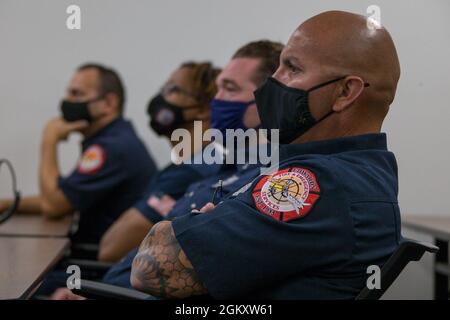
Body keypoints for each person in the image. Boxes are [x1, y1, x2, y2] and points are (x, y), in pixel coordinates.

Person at [130, 10, 402, 300]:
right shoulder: (347, 171)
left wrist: (179, 227)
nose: (273, 81)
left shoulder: (317, 183)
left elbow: (153, 269)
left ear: (345, 92)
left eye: (292, 69)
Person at [98, 40, 284, 262]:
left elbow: (110, 250)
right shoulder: (221, 168)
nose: (218, 99)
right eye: (218, 88)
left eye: (173, 90)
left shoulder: (203, 170)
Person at [0, 63, 157, 244]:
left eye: (77, 94)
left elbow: (53, 205)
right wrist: (6, 204)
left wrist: (49, 140)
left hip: (92, 264)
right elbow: (65, 196)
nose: (67, 101)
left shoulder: (111, 148)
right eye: (68, 93)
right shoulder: (116, 138)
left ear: (108, 103)